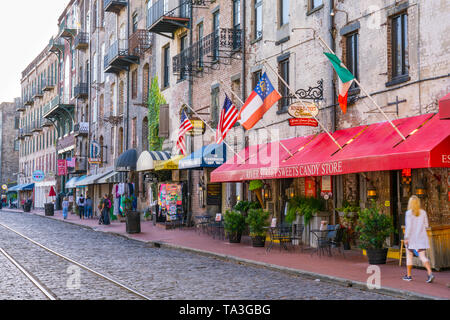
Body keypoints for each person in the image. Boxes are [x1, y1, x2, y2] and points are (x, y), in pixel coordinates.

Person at [403, 195, 434, 283]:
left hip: (411, 239)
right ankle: (430, 273)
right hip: (421, 238)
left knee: (409, 256)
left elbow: (408, 227)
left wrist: (406, 237)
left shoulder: (408, 213)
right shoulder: (423, 212)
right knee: (422, 257)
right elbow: (426, 225)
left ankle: (409, 276)